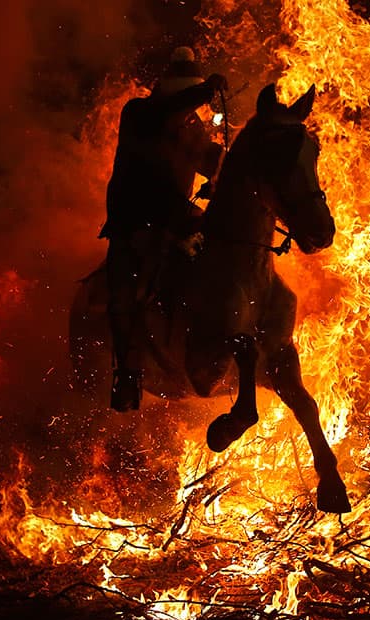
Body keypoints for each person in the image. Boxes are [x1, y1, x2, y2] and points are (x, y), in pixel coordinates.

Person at [100, 47, 227, 412]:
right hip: (135, 219)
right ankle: (127, 374)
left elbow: (209, 159)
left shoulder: (191, 125)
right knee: (125, 293)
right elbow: (163, 117)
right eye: (187, 96)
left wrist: (232, 168)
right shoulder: (140, 113)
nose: (192, 108)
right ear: (169, 90)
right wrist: (203, 92)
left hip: (178, 216)